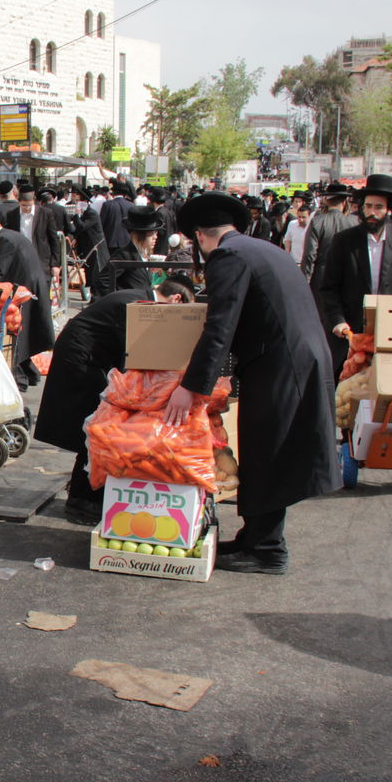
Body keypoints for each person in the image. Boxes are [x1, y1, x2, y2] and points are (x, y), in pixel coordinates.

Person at [163, 192, 341, 575]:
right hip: (295, 358)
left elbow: (220, 327)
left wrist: (192, 387)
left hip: (281, 363)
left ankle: (267, 549)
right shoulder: (261, 248)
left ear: (199, 236)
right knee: (268, 451)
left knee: (268, 453)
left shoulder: (228, 257)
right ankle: (255, 537)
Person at [36, 276, 196, 524]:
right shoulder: (140, 307)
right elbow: (135, 354)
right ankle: (83, 500)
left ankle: (86, 495)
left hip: (88, 358)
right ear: (177, 299)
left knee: (95, 428)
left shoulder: (137, 299)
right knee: (97, 429)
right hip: (82, 361)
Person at [317, 174, 392, 370]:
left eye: (378, 207)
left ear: (389, 210)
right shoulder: (344, 240)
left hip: (389, 330)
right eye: (368, 206)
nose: (372, 212)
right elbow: (328, 287)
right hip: (350, 332)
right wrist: (338, 320)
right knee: (346, 392)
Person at [0, 209, 54, 391]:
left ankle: (19, 380)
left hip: (22, 290)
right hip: (27, 287)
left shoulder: (3, 240)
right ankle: (29, 373)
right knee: (23, 337)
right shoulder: (12, 236)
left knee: (17, 335)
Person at [301, 181, 357, 285]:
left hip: (322, 275)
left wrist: (305, 281)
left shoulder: (317, 221)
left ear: (326, 201)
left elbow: (309, 254)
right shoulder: (355, 221)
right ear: (344, 202)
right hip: (348, 276)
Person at [69, 183, 114, 298]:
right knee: (90, 273)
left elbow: (82, 227)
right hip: (88, 248)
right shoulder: (85, 214)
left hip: (96, 249)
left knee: (96, 274)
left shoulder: (92, 214)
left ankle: (97, 297)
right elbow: (78, 230)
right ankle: (93, 296)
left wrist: (76, 215)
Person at [109, 205, 164, 293]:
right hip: (129, 304)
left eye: (156, 232)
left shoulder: (145, 253)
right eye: (151, 233)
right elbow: (103, 280)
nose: (155, 237)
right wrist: (118, 301)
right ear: (139, 234)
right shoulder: (124, 255)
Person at [7, 184, 58, 275]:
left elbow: (53, 239)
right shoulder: (12, 215)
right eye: (24, 205)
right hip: (20, 261)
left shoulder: (45, 214)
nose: (27, 208)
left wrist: (55, 264)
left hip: (41, 261)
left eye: (30, 205)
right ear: (18, 201)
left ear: (34, 200)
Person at [99, 180, 134, 251]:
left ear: (113, 193)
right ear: (125, 194)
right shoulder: (131, 205)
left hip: (110, 241)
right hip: (127, 241)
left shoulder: (107, 205)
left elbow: (101, 224)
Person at [283, 201, 311, 267]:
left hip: (306, 263)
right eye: (299, 217)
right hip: (294, 261)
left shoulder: (312, 227)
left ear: (309, 216)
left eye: (304, 217)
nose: (301, 219)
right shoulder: (292, 224)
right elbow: (288, 240)